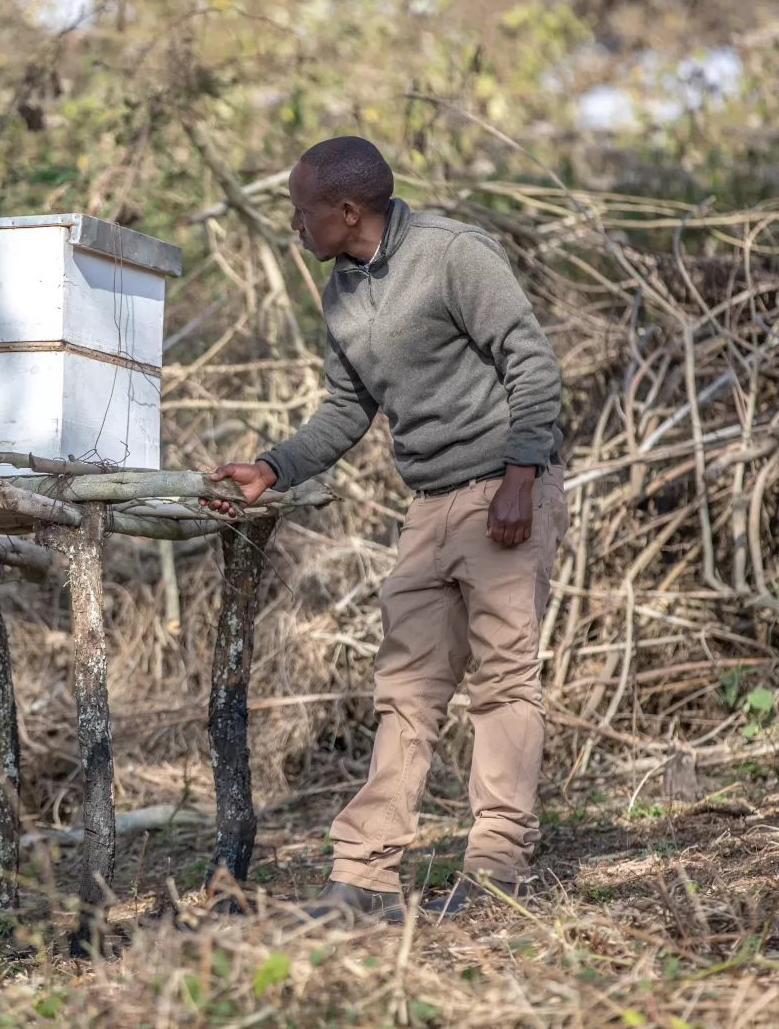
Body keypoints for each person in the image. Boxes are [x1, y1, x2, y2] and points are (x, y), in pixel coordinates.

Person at [205, 136, 567, 922]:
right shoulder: (341, 290)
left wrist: (519, 478)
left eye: (302, 212)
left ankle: (501, 865)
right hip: (429, 502)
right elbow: (347, 407)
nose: (292, 225)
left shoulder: (451, 254)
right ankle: (364, 876)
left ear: (346, 209)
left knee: (504, 677)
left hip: (504, 490)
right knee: (404, 687)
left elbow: (532, 362)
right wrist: (270, 468)